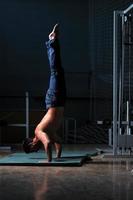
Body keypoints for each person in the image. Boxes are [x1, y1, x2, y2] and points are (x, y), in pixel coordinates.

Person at [23, 24, 66, 162]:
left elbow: (47, 144)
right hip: (58, 101)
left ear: (31, 143)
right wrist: (58, 156)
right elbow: (58, 143)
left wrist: (49, 162)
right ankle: (52, 41)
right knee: (58, 70)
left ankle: (52, 40)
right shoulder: (50, 132)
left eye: (34, 149)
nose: (37, 150)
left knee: (55, 70)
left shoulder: (38, 132)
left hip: (54, 100)